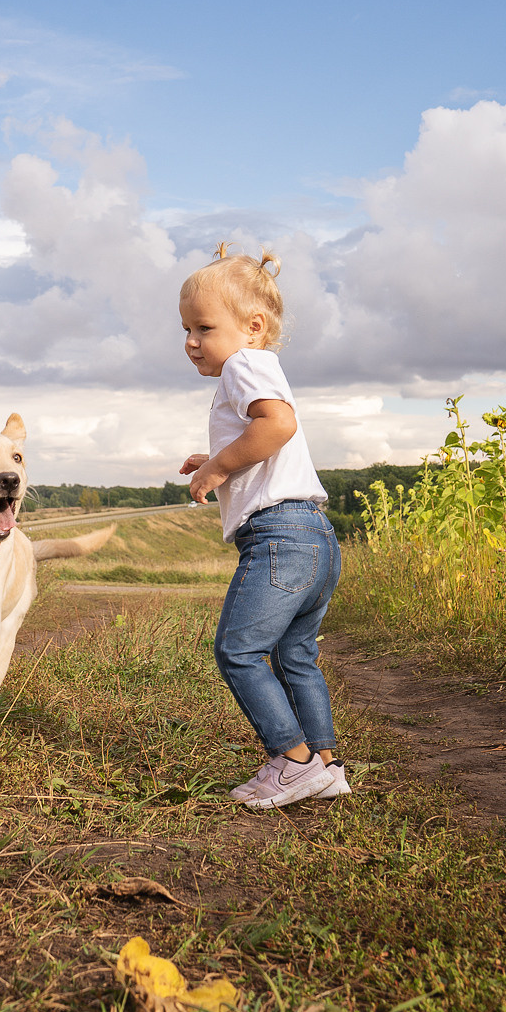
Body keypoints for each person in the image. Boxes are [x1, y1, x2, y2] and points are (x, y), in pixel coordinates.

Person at [177, 244, 348, 809]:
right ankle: (325, 762)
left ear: (252, 327)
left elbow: (277, 427)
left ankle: (291, 760)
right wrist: (213, 459)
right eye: (186, 329)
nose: (191, 342)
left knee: (239, 651)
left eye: (204, 327)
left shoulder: (241, 365)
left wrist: (219, 466)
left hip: (279, 537)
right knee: (296, 654)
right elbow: (266, 444)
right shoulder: (260, 367)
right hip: (315, 536)